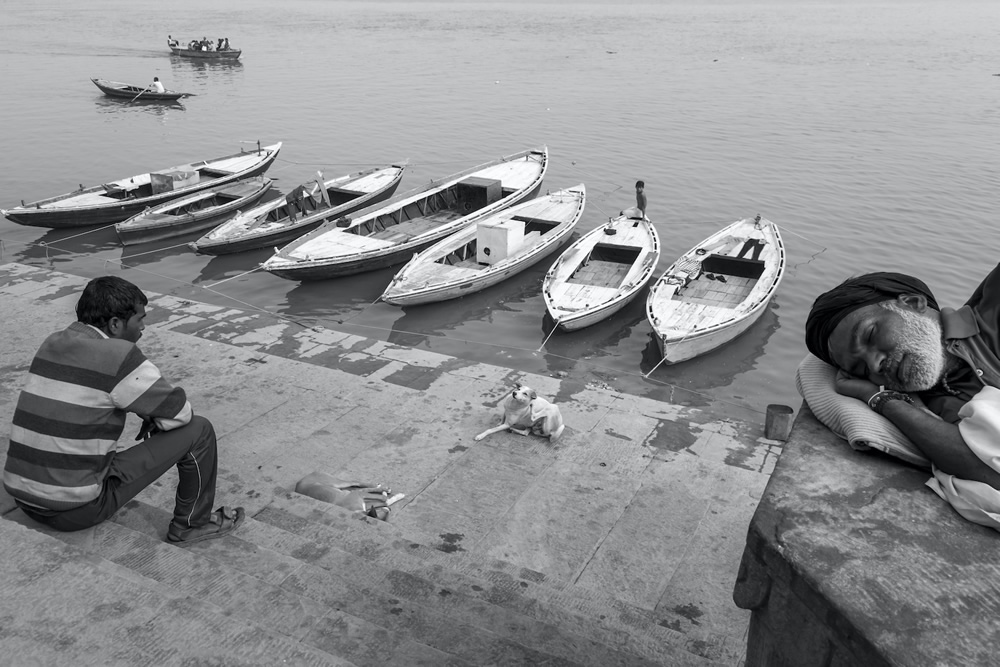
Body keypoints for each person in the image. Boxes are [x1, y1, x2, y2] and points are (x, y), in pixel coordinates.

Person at [3, 276, 244, 544]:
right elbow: (180, 414)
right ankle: (191, 525)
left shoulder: (52, 342)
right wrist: (150, 412)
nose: (143, 327)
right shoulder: (119, 355)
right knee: (200, 430)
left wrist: (143, 409)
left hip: (23, 498)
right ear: (115, 324)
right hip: (72, 511)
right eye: (139, 319)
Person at [805, 265, 1000, 528]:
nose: (875, 365)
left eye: (870, 334)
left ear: (912, 303)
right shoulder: (938, 411)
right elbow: (988, 474)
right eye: (862, 369)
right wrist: (882, 400)